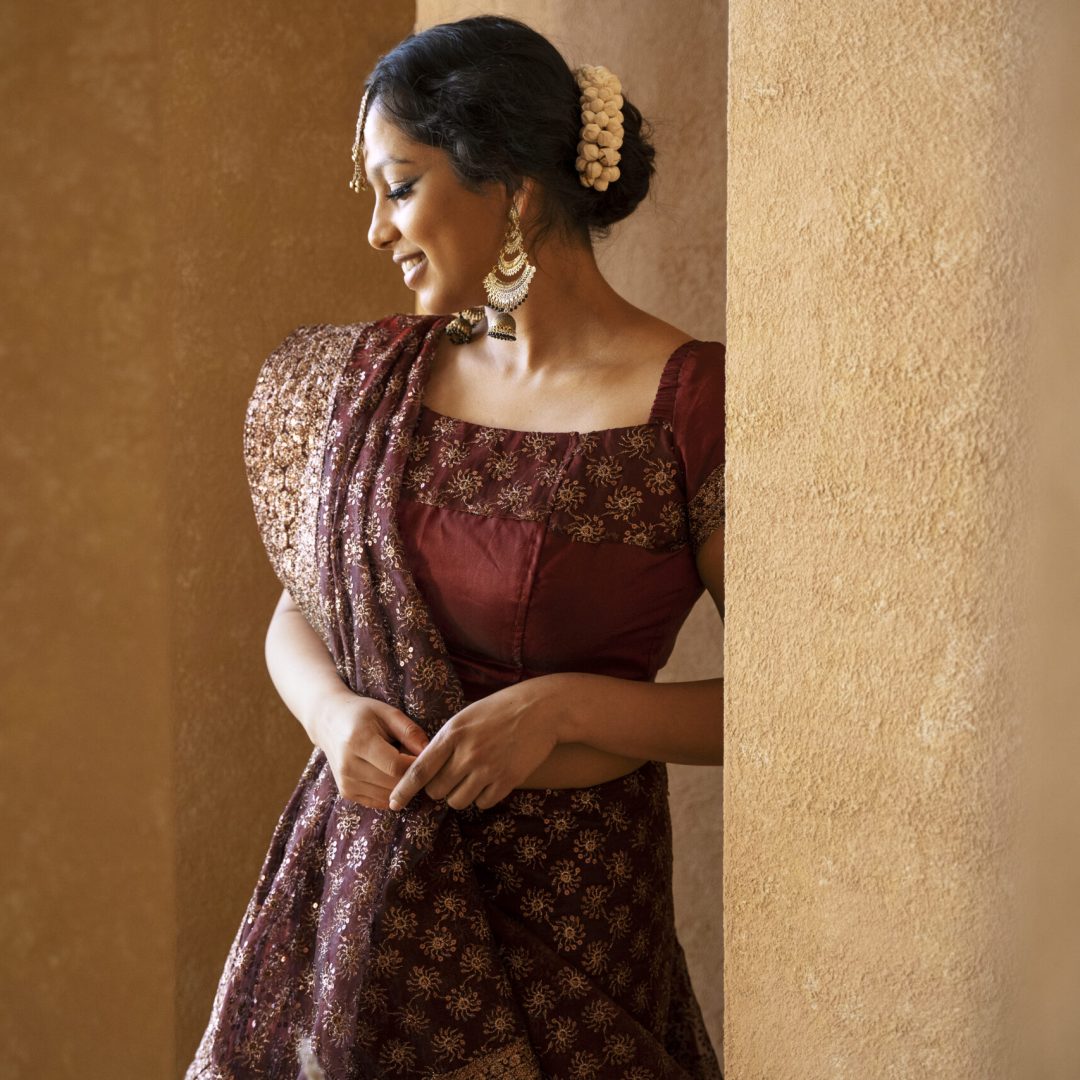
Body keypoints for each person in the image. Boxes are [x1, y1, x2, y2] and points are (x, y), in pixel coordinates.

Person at [186, 14, 725, 1080]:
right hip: (358, 908)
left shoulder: (690, 405)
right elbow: (303, 607)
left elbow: (805, 709)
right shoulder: (376, 380)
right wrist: (332, 716)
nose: (379, 232)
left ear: (512, 191)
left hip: (572, 917)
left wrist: (567, 708)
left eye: (399, 187)